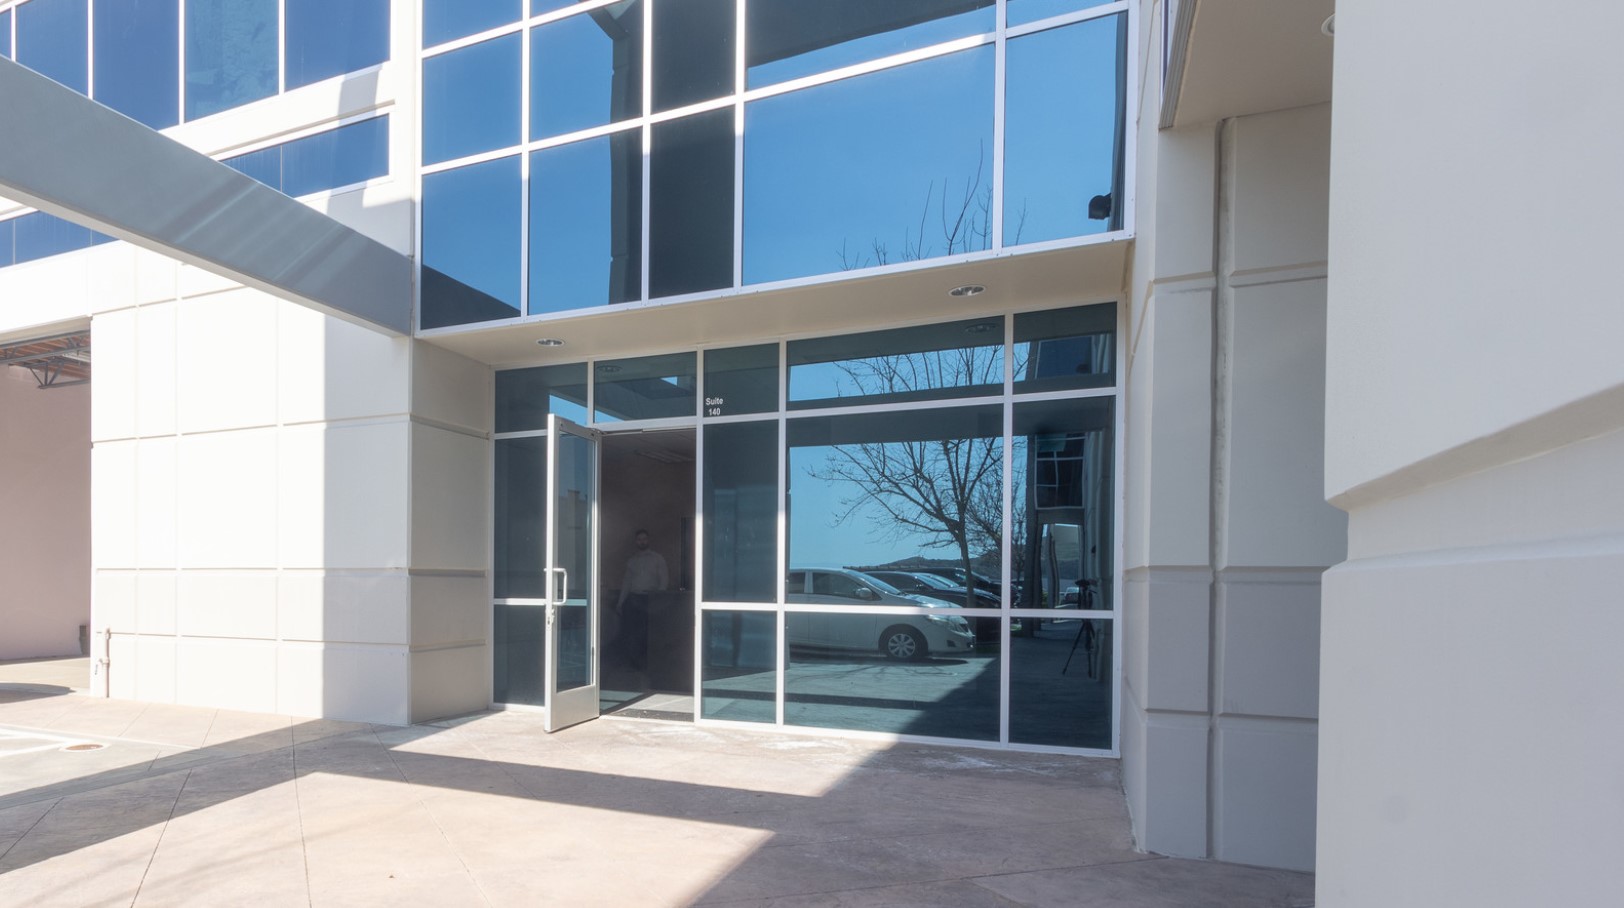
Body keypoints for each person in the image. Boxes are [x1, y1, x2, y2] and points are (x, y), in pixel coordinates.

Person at [616, 529, 668, 672]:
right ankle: (634, 663)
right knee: (632, 632)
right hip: (633, 599)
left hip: (650, 599)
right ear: (635, 541)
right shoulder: (632, 561)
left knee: (648, 633)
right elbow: (626, 583)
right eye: (639, 539)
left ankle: (648, 664)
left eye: (644, 539)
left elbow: (663, 580)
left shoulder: (658, 559)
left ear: (648, 540)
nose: (642, 541)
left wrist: (659, 599)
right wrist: (621, 602)